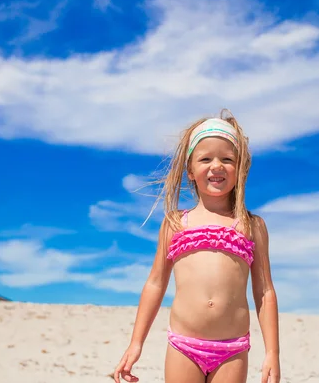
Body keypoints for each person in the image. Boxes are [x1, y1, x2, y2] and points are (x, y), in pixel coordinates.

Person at [113, 110, 280, 383]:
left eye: (227, 159)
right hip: (184, 346)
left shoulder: (251, 226)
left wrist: (272, 352)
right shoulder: (176, 223)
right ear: (190, 170)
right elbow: (156, 283)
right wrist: (136, 343)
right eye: (205, 159)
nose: (217, 166)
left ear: (240, 169)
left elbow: (264, 291)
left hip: (232, 349)